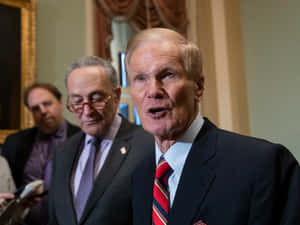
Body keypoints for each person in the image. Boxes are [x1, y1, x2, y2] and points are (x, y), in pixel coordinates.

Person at [125, 28, 300, 225]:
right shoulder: (140, 176)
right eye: (141, 78)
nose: (153, 91)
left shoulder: (262, 163)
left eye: (168, 75)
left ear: (198, 86)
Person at [48, 56, 152, 225]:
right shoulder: (63, 152)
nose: (87, 111)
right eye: (77, 102)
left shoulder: (147, 146)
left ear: (116, 96)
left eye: (96, 99)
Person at [2, 83, 80, 225]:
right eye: (35, 108)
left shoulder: (82, 139)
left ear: (60, 103)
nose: (43, 111)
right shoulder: (14, 143)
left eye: (47, 104)